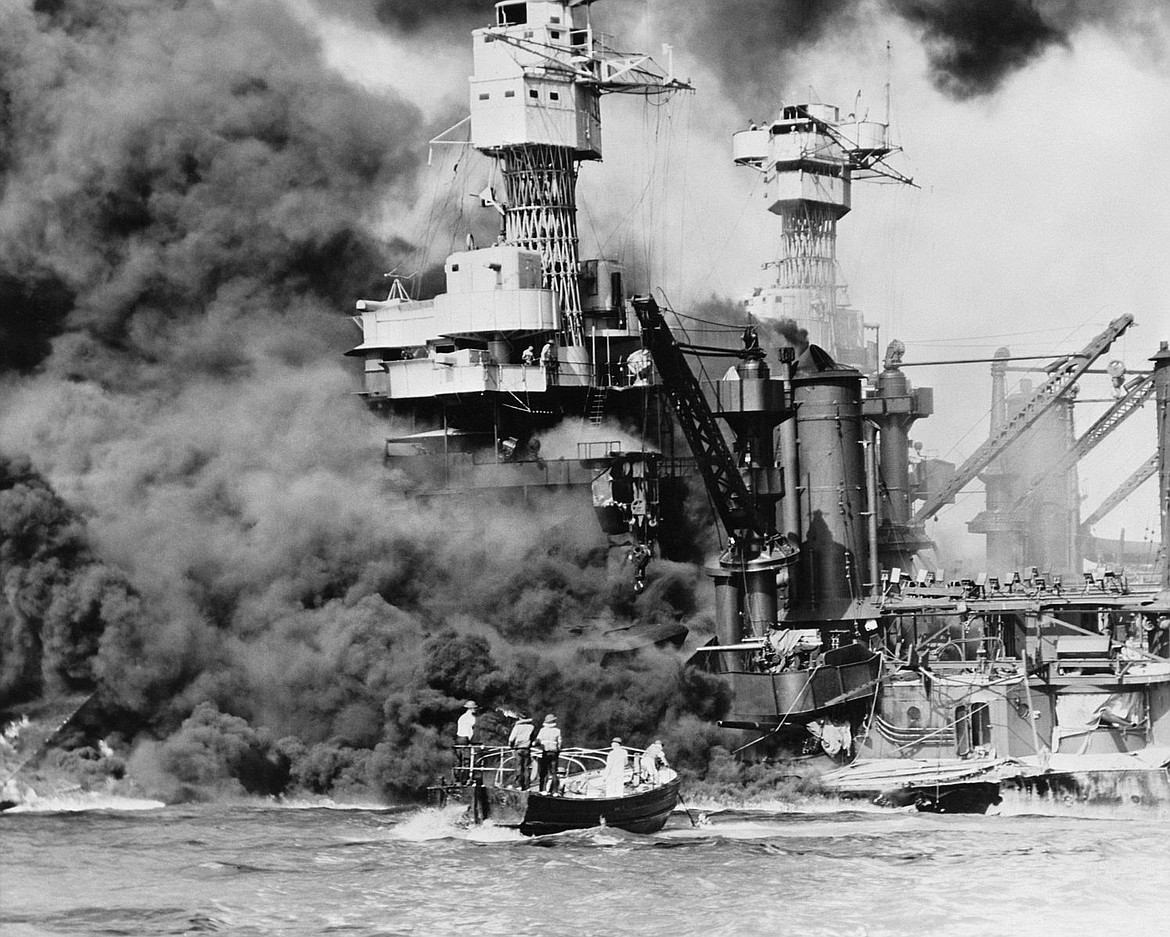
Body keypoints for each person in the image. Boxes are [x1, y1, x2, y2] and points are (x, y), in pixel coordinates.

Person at [536, 714, 562, 793]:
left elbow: (538, 740)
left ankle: (542, 789)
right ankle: (555, 791)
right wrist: (559, 749)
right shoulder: (557, 731)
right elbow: (560, 743)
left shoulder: (542, 730)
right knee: (554, 772)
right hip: (554, 753)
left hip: (545, 752)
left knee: (544, 772)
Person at [508, 714, 535, 789]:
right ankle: (527, 786)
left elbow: (511, 739)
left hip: (518, 749)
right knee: (526, 767)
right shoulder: (531, 727)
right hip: (527, 749)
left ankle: (519, 785)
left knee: (519, 767)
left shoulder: (517, 727)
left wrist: (510, 746)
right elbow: (532, 738)